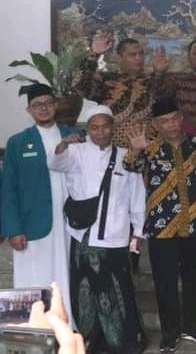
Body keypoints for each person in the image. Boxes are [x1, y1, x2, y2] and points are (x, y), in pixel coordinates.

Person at [50, 108, 147, 354]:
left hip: (115, 237)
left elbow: (137, 195)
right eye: (94, 127)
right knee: (85, 295)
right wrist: (63, 144)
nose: (100, 132)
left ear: (113, 128)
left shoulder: (126, 156)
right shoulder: (76, 152)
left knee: (116, 293)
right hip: (82, 237)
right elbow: (55, 163)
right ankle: (90, 343)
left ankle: (121, 343)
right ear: (87, 129)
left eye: (105, 126)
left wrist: (138, 231)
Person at [123, 99, 196, 353]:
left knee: (195, 280)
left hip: (193, 224)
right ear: (155, 124)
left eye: (174, 118)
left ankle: (194, 328)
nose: (171, 124)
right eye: (164, 121)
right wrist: (136, 150)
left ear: (181, 118)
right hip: (161, 228)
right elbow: (130, 165)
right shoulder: (149, 148)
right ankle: (169, 334)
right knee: (165, 283)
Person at [1, 83, 79, 302]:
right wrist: (13, 229)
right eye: (37, 105)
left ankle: (68, 321)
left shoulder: (75, 136)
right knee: (33, 280)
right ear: (29, 110)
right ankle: (35, 322)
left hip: (70, 224)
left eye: (47, 103)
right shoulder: (17, 143)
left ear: (56, 105)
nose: (43, 108)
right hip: (32, 225)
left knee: (68, 278)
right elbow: (8, 189)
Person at [74, 33, 175, 147]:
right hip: (111, 148)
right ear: (119, 57)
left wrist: (160, 74)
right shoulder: (106, 79)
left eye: (141, 54)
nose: (138, 58)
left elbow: (165, 99)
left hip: (147, 147)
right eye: (132, 55)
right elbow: (81, 88)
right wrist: (94, 54)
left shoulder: (152, 80)